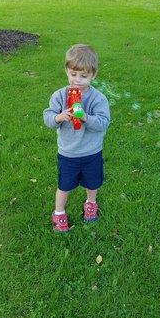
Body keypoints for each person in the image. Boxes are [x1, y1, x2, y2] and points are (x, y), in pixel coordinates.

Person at [43, 44, 110, 232]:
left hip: (91, 152)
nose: (77, 80)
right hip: (68, 153)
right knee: (64, 185)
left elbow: (103, 122)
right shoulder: (59, 96)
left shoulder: (98, 99)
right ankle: (59, 213)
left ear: (93, 75)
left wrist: (85, 117)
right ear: (67, 71)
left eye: (84, 76)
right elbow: (48, 117)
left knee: (93, 182)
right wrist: (59, 117)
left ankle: (90, 203)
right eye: (73, 74)